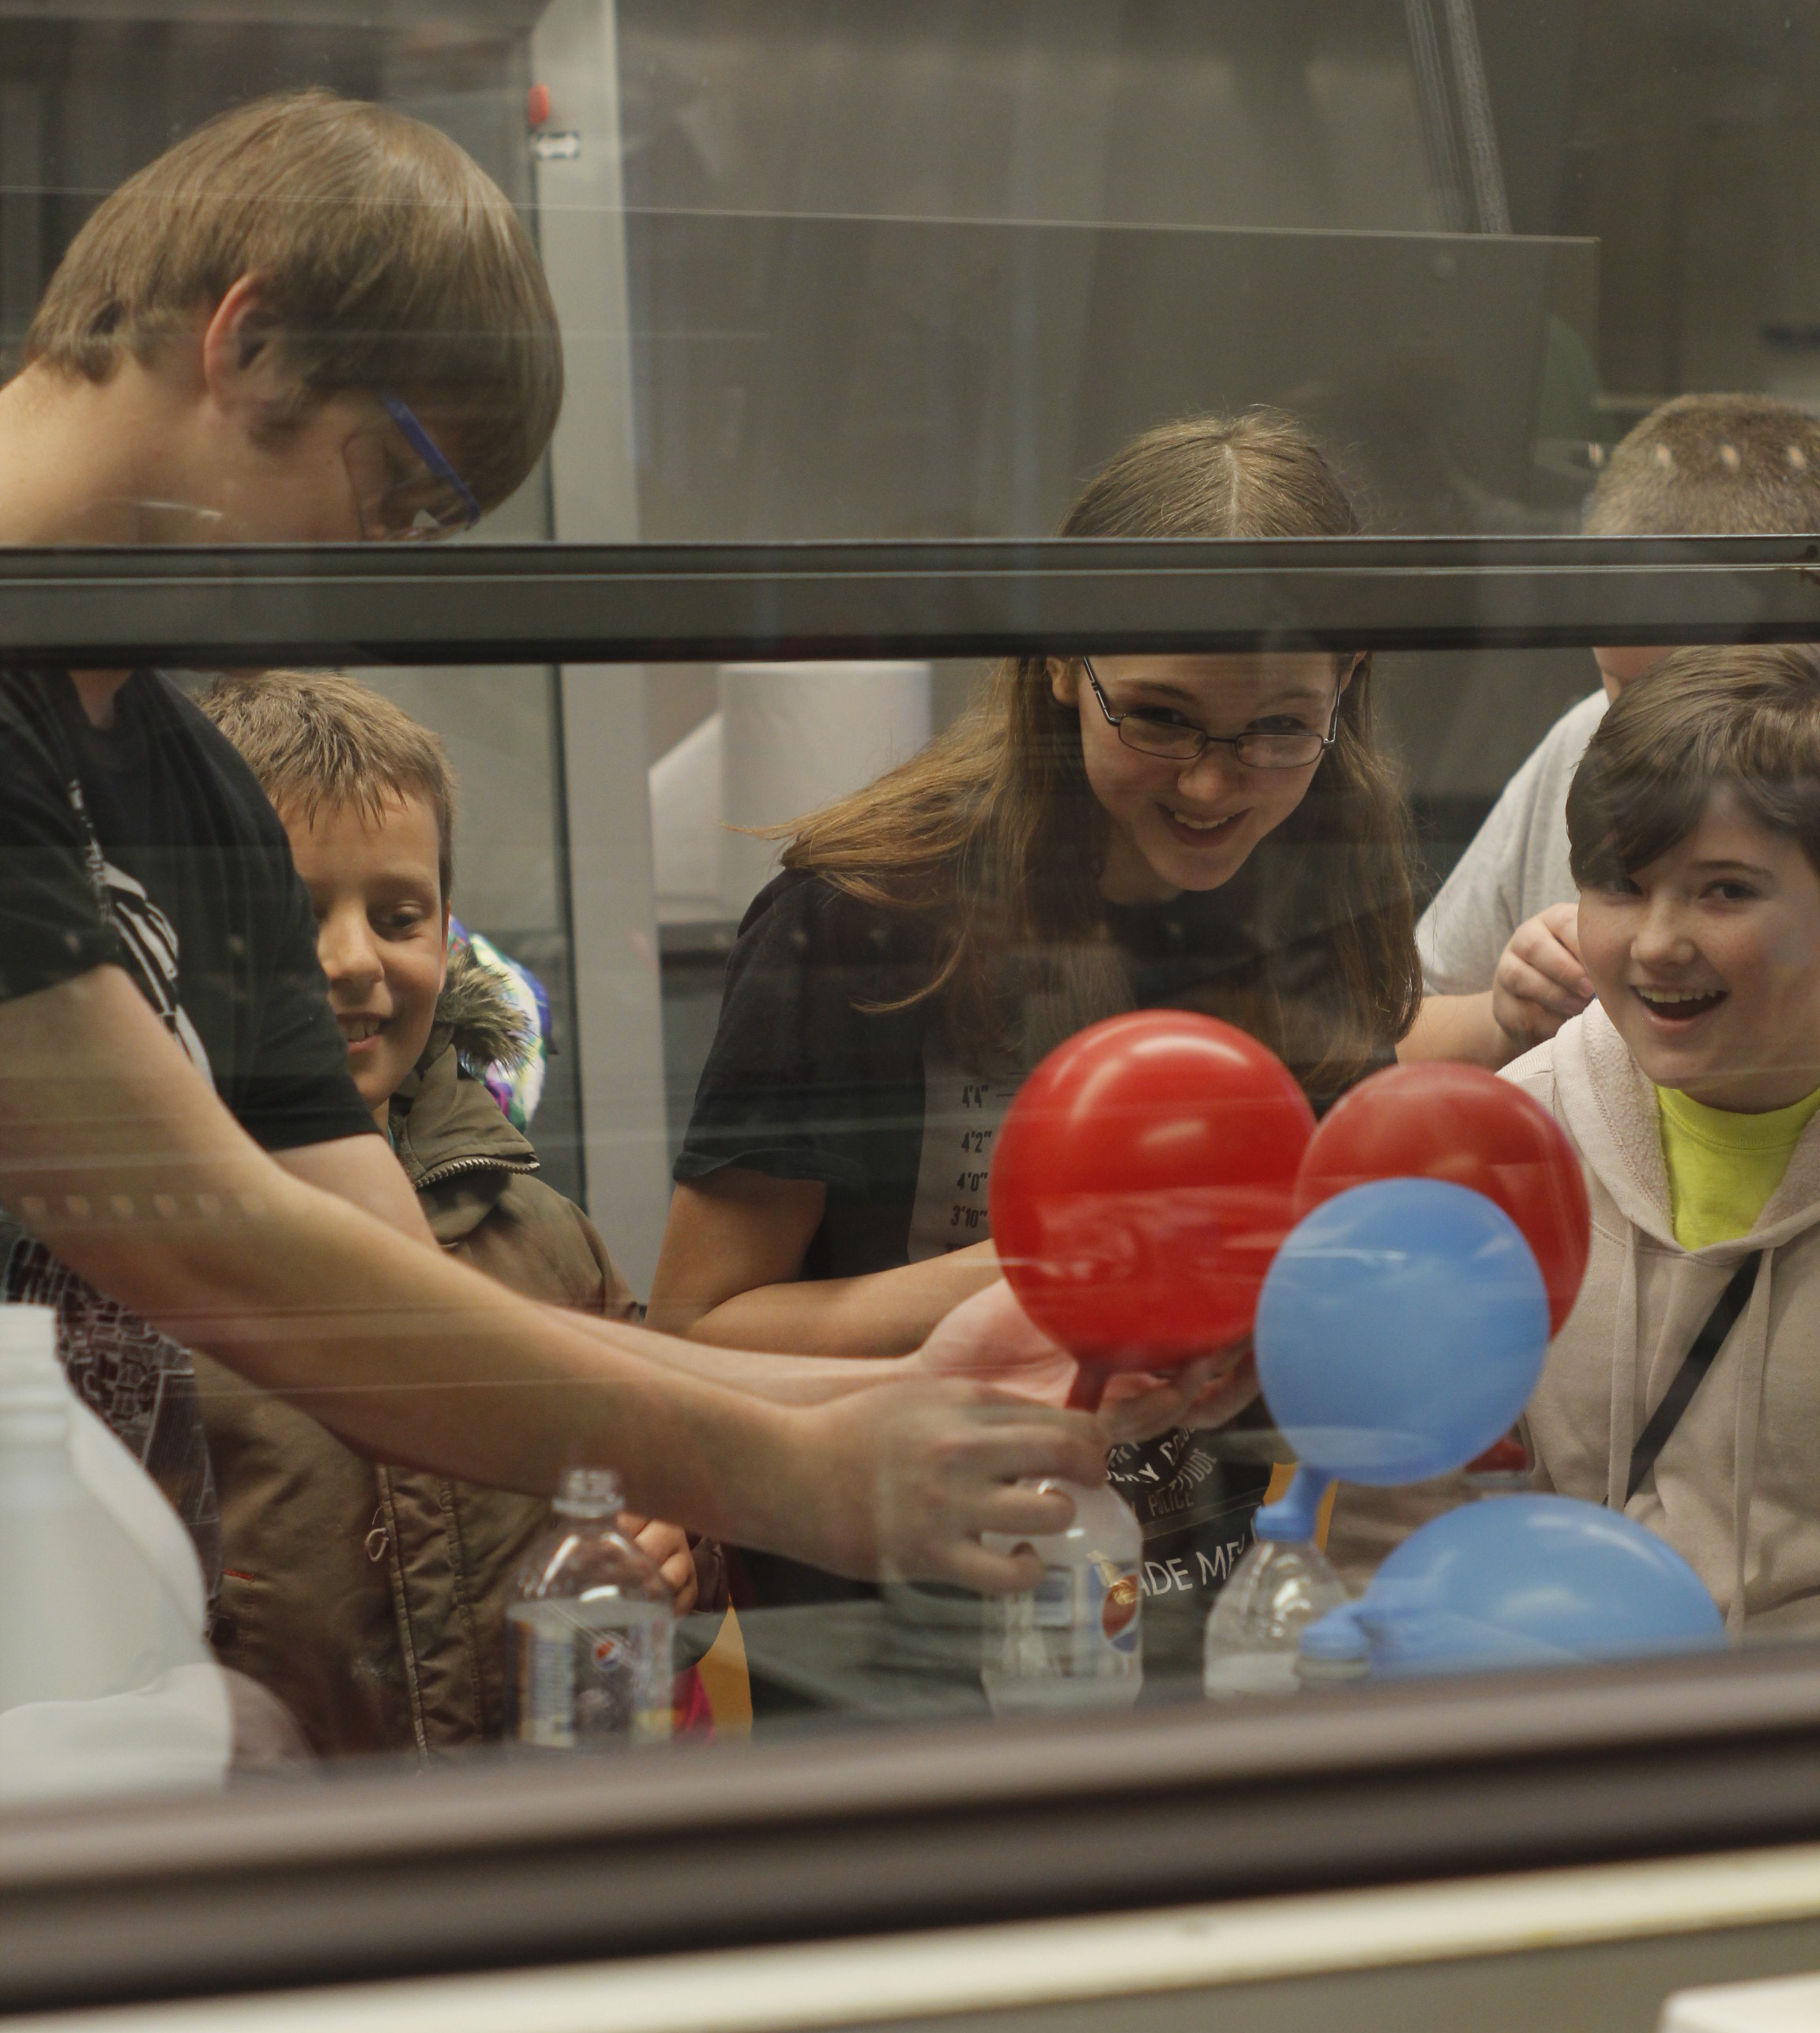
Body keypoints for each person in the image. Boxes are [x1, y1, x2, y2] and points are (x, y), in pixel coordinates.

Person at [0, 89, 1105, 1622]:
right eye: (383, 499)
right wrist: (785, 1475)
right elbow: (214, 1241)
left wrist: (877, 1397)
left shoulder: (193, 797)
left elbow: (403, 1299)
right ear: (245, 342)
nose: (361, 589)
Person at [648, 411, 1423, 1641]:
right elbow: (701, 1327)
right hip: (886, 1631)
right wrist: (1060, 1274)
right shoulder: (866, 913)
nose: (1215, 784)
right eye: (1159, 717)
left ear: (1349, 685)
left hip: (1177, 1612)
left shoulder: (1322, 881)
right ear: (1060, 660)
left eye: (1279, 727)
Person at [194, 671, 728, 1754]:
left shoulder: (541, 1236)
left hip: (522, 1846)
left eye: (400, 916)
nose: (353, 961)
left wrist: (679, 1555)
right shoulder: (134, 1259)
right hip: (258, 1871)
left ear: (450, 926)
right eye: (295, 915)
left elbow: (675, 1499)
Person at [1508, 644, 1820, 1634]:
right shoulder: (1516, 1140)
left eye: (1724, 891)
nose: (1654, 942)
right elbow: (1409, 1515)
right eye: (1619, 886)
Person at [1401, 395, 1820, 1073]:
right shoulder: (1585, 738)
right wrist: (1503, 1017)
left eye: (1696, 689)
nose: (1644, 728)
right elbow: (1400, 1037)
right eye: (1618, 684)